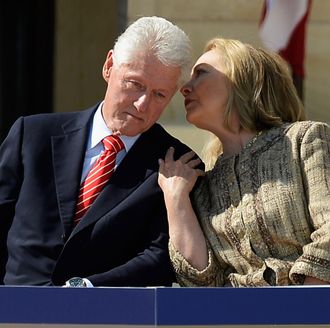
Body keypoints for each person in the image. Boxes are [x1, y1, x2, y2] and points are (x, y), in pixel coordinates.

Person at [0, 16, 195, 287]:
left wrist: (87, 289)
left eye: (159, 95)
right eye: (134, 84)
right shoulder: (32, 136)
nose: (142, 104)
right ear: (108, 66)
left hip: (107, 317)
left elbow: (160, 256)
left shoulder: (179, 164)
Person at [158, 37, 330, 287]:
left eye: (201, 74)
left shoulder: (303, 140)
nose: (185, 87)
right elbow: (201, 281)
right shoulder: (205, 184)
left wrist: (299, 312)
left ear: (242, 81)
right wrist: (176, 199)